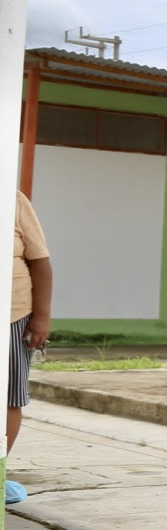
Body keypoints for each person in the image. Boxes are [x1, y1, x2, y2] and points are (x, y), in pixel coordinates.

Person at [9, 191, 51, 454]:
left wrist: (41, 318)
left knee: (9, 398)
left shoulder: (14, 201)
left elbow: (40, 262)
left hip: (14, 316)